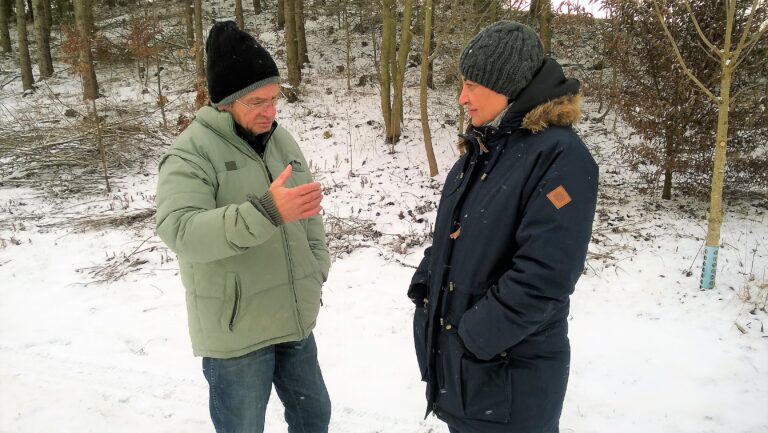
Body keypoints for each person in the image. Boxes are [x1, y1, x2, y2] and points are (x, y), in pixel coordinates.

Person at [408, 21, 599, 433]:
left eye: (473, 85)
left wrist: (472, 336)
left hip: (509, 379)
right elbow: (454, 239)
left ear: (508, 86)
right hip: (466, 374)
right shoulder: (482, 150)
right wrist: (425, 289)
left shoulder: (559, 157)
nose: (462, 98)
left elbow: (544, 277)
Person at [155, 21, 331, 433]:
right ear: (225, 102)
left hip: (293, 316)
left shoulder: (280, 139)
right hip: (236, 332)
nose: (270, 111)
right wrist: (266, 212)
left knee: (314, 418)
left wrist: (316, 268)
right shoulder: (190, 153)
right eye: (257, 101)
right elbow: (179, 230)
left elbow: (307, 211)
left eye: (274, 99)